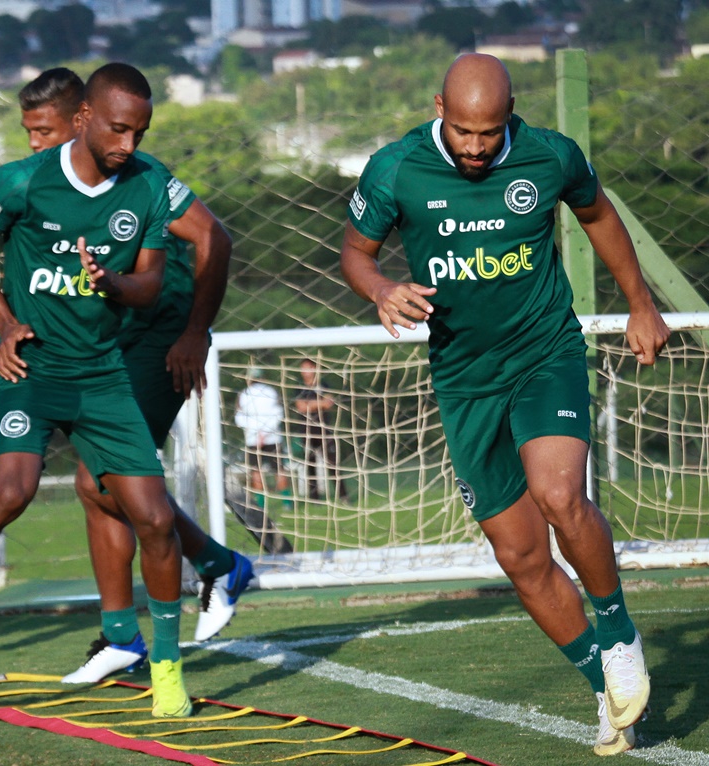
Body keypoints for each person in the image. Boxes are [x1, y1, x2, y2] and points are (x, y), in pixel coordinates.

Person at [340, 53, 666, 756]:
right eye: (463, 132)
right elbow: (356, 251)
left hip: (544, 352)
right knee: (519, 556)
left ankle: (617, 634)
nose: (478, 148)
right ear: (439, 109)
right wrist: (378, 288)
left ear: (510, 114)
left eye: (490, 133)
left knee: (558, 496)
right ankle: (603, 689)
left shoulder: (550, 156)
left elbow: (599, 215)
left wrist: (641, 304)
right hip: (464, 380)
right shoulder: (395, 170)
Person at [0, 63, 193, 718]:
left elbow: (148, 282)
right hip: (33, 367)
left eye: (140, 131)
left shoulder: (145, 186)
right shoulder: (23, 181)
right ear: (84, 118)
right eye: (118, 128)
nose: (129, 144)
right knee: (11, 491)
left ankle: (168, 666)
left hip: (102, 373)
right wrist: (5, 321)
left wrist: (113, 286)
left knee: (156, 518)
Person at [15, 68, 250, 684]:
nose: (34, 145)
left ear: (79, 121)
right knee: (100, 482)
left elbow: (213, 239)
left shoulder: (144, 179)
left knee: (102, 478)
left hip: (158, 337)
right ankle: (125, 631)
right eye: (27, 133)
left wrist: (194, 333)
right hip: (112, 343)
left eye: (42, 132)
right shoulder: (48, 182)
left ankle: (207, 572)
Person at [291, 359, 347, 501]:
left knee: (332, 463)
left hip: (323, 429)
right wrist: (319, 403)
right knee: (310, 464)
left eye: (308, 368)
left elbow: (329, 404)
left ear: (315, 368)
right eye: (303, 368)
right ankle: (314, 498)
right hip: (306, 430)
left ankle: (343, 496)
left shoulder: (323, 385)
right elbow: (301, 407)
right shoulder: (299, 387)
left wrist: (312, 404)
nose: (305, 372)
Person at [234, 366, 290, 509]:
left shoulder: (244, 393)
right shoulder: (271, 392)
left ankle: (260, 504)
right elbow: (278, 414)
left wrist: (257, 433)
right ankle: (287, 503)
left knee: (256, 471)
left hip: (253, 439)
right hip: (272, 437)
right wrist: (265, 433)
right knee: (279, 470)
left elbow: (239, 417)